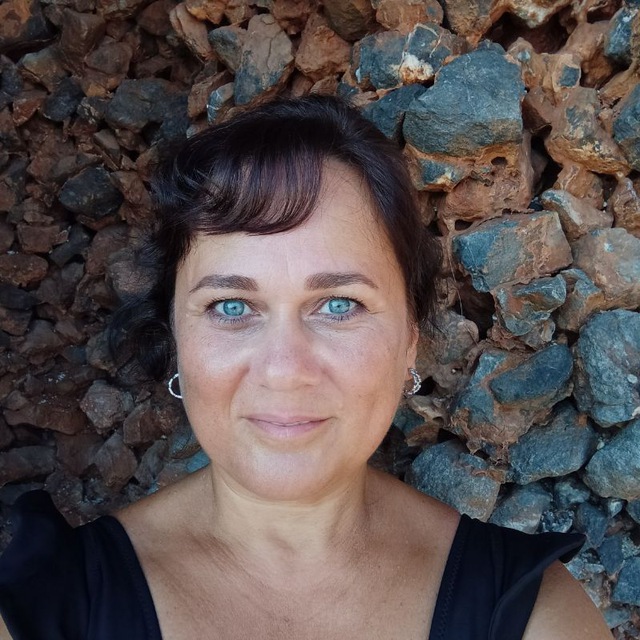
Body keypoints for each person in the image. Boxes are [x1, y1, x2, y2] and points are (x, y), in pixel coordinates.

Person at [0, 95, 612, 640]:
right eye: (231, 306)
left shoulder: (534, 615)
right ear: (177, 337)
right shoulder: (48, 609)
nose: (284, 370)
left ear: (409, 341)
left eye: (339, 304)